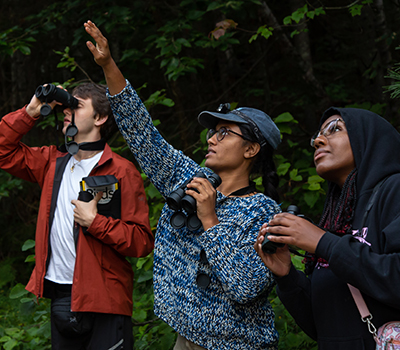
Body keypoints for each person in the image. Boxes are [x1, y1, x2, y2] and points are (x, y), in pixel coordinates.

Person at [84, 20, 282, 350]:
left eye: (224, 133)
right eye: (211, 131)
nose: (211, 138)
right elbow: (141, 133)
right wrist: (108, 65)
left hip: (238, 345)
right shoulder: (189, 177)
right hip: (185, 339)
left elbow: (247, 287)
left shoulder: (265, 212)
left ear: (251, 149)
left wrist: (210, 221)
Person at [0, 82, 154, 349]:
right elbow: (3, 150)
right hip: (61, 294)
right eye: (67, 105)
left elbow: (141, 242)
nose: (68, 110)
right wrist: (32, 110)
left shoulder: (121, 171)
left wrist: (96, 223)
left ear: (100, 118)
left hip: (104, 297)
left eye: (77, 105)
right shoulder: (52, 162)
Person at [254, 107, 400, 350]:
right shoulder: (337, 213)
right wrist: (287, 276)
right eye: (317, 136)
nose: (318, 140)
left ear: (368, 137)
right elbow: (321, 327)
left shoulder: (394, 191)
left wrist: (324, 243)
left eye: (335, 129)